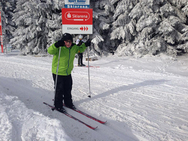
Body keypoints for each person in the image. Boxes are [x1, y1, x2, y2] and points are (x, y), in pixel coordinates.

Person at [47, 33, 91, 112]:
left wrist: (86, 44)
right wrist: (56, 45)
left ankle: (68, 103)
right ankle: (58, 105)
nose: (68, 43)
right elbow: (50, 51)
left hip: (67, 72)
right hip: (58, 72)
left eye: (70, 42)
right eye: (66, 42)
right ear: (63, 41)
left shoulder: (73, 47)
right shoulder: (59, 47)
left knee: (68, 88)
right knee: (59, 89)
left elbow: (80, 49)